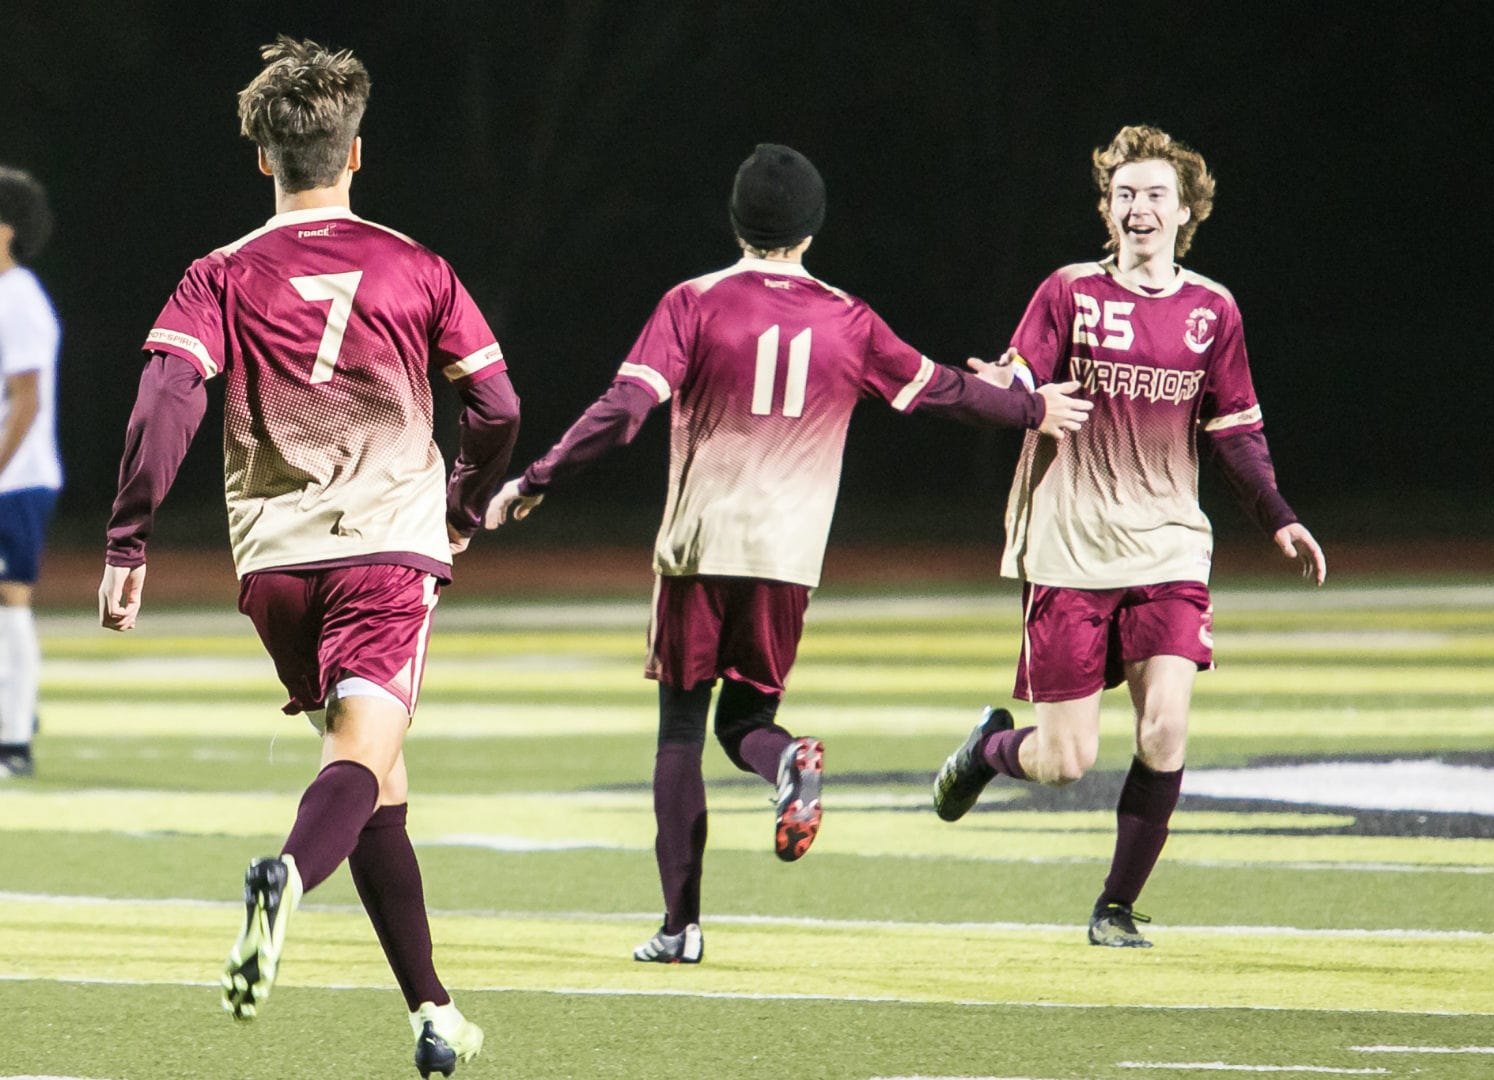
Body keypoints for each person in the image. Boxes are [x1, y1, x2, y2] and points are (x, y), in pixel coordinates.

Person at [484, 143, 1092, 964]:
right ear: (811, 230)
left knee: (679, 733)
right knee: (748, 721)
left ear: (736, 219)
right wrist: (1028, 408)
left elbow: (625, 410)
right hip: (789, 558)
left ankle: (680, 927)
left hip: (700, 548)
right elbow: (941, 389)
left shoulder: (692, 302)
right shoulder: (849, 318)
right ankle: (787, 762)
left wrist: (537, 477)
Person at [97, 36, 517, 1076]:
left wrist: (128, 538)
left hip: (275, 566)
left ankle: (433, 1011)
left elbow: (164, 401)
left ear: (263, 160)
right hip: (385, 550)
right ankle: (286, 875)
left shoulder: (220, 273)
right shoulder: (416, 264)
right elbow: (498, 404)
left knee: (376, 776)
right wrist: (462, 499)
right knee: (356, 764)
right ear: (355, 152)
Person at [931, 124, 1326, 948]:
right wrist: (1009, 393)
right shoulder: (1070, 292)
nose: (1138, 208)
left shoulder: (1212, 310)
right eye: (1124, 195)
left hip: (1170, 545)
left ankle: (1114, 906)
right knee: (1064, 760)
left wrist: (1278, 516)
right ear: (1107, 211)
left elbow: (1235, 431)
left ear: (1186, 210)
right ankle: (986, 752)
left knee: (1165, 730)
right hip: (1071, 547)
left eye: (1154, 194)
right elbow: (1017, 382)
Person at [0, 165, 61, 780]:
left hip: (16, 480)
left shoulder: (20, 298)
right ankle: (16, 711)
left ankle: (14, 740)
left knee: (10, 600)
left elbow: (27, 400)